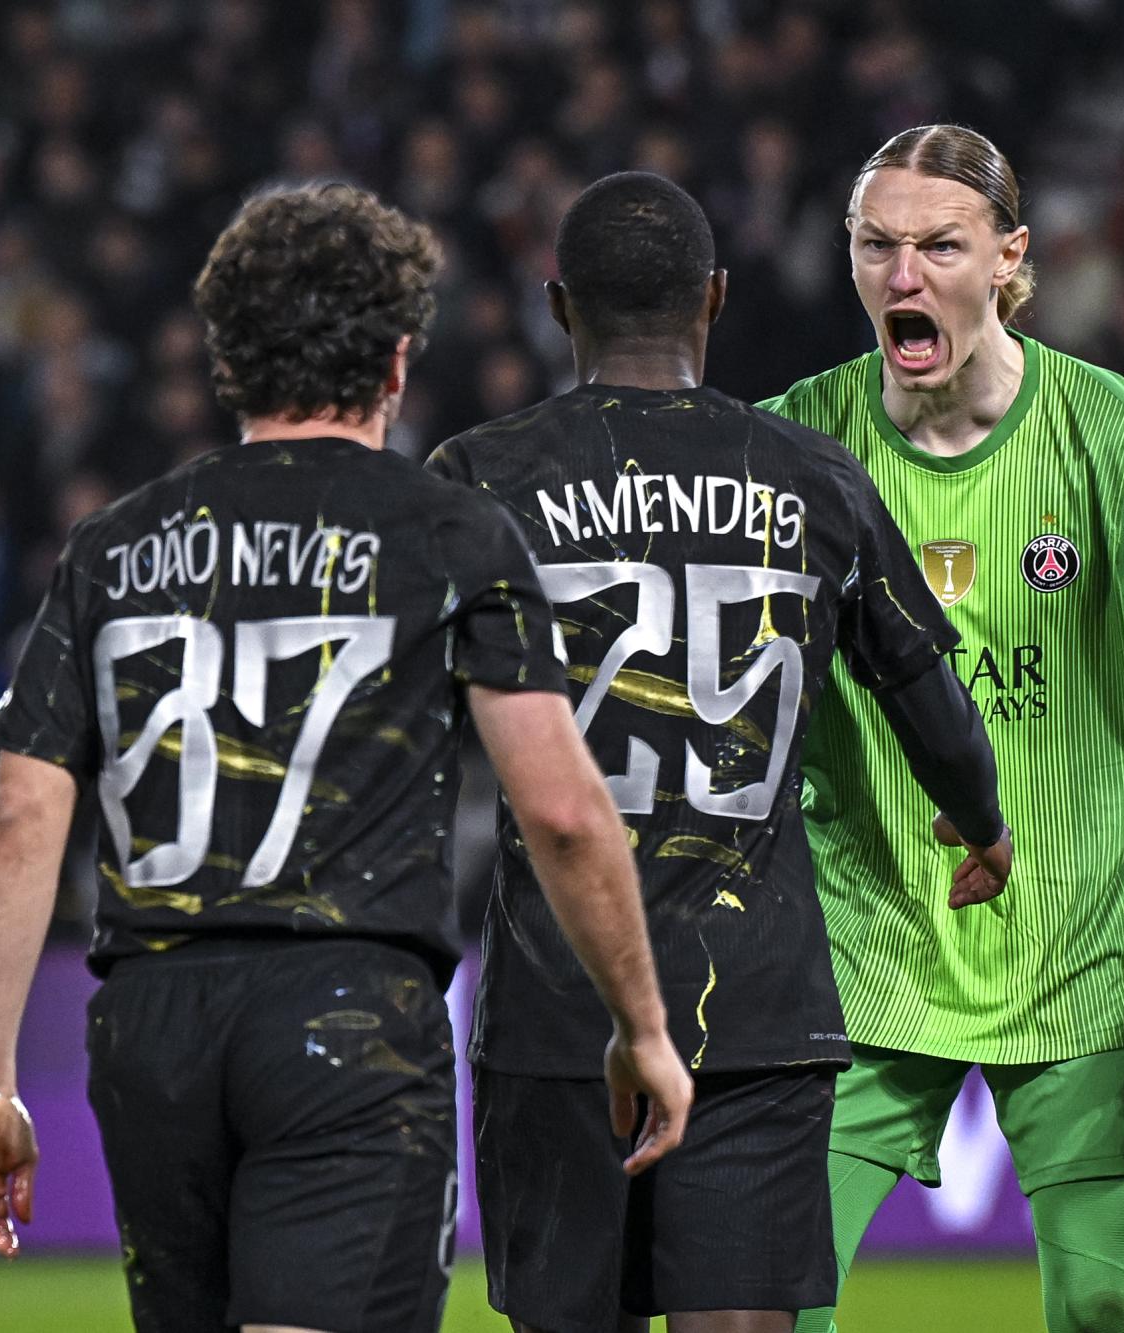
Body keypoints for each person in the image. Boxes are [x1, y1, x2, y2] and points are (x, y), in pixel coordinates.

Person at [0, 182, 693, 1333]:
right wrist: (639, 1025)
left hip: (150, 1021)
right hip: (344, 1013)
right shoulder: (444, 531)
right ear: (396, 361)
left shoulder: (115, 545)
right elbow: (560, 812)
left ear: (228, 358)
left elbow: (19, 820)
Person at [428, 171, 1013, 1333]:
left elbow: (408, 725)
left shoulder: (477, 479)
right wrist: (980, 821)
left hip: (557, 1008)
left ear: (558, 307)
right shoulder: (812, 476)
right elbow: (924, 689)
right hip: (755, 1004)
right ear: (715, 299)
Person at [760, 126, 1124, 1333]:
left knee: (1103, 1313)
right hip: (862, 953)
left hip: (1084, 949)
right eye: (875, 245)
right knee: (761, 1309)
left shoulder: (1119, 441)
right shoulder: (792, 445)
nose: (902, 276)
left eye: (938, 247)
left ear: (1008, 259)